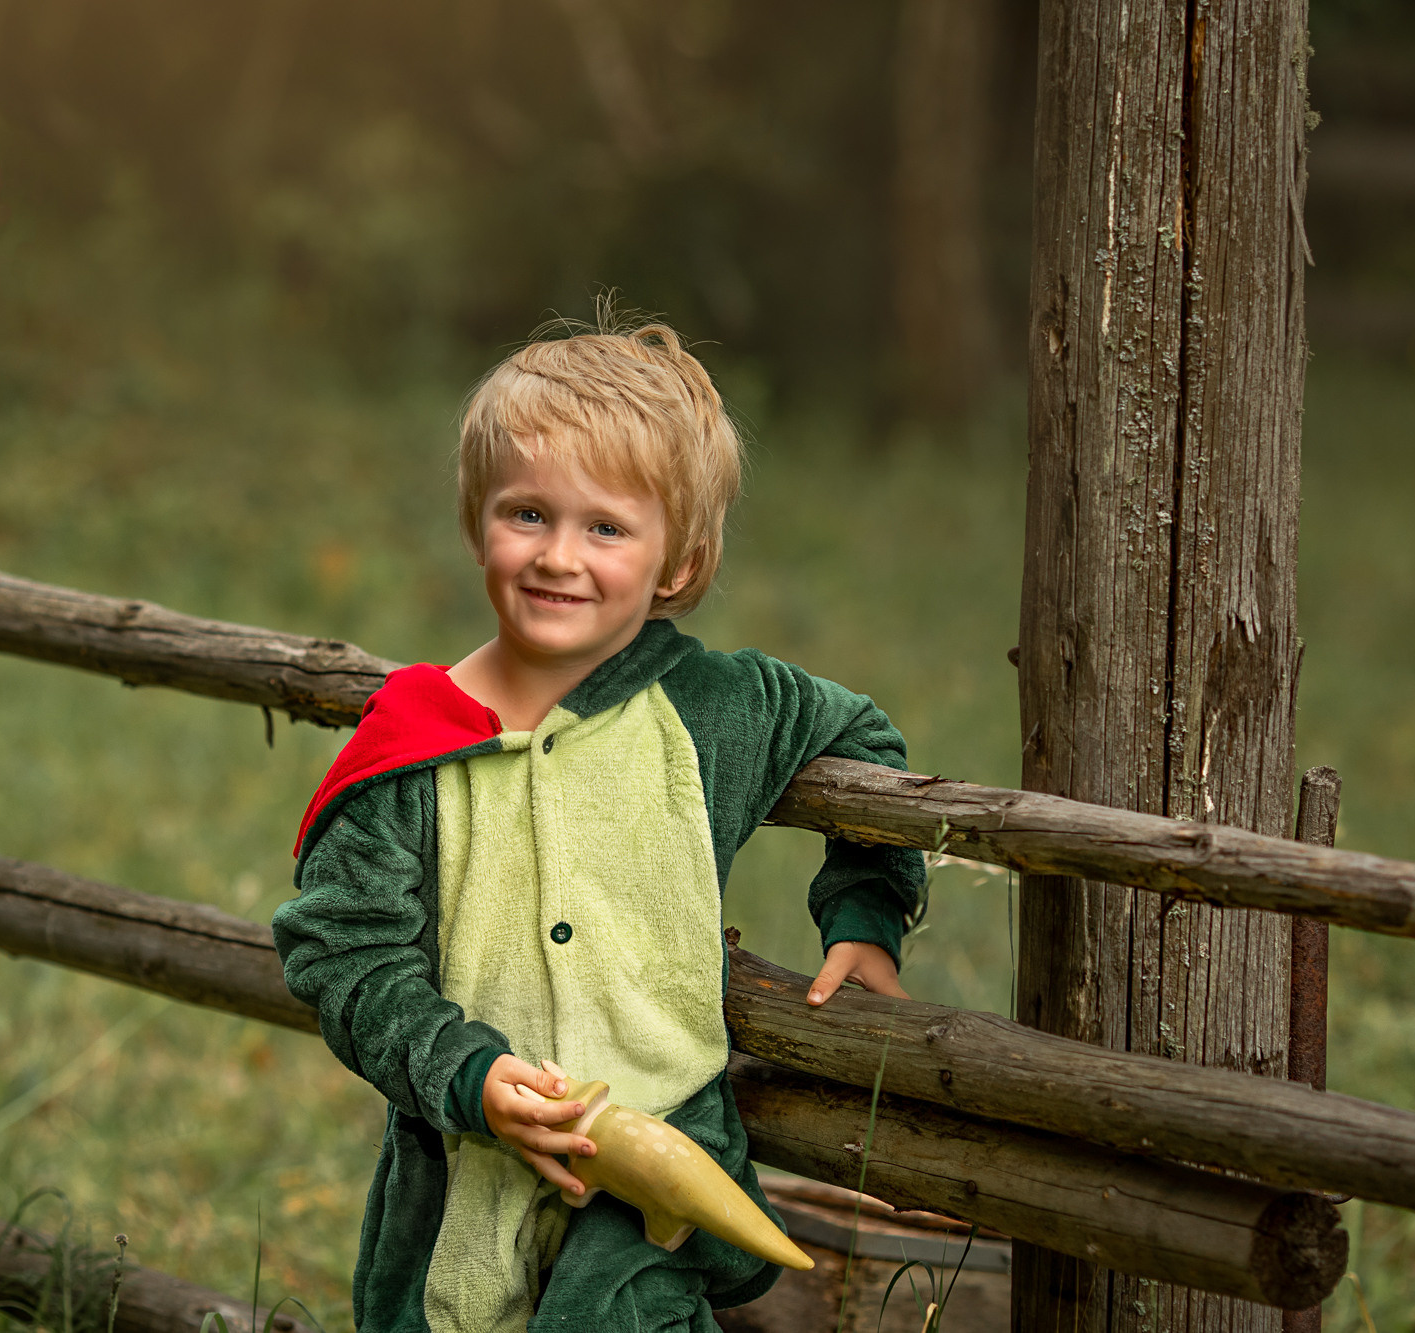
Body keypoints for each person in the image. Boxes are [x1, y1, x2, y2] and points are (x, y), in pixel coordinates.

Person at [273, 313, 927, 1332]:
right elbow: (342, 953)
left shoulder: (722, 708)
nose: (557, 557)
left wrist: (864, 915)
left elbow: (868, 740)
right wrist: (468, 1074)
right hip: (462, 1185)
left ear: (677, 559)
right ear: (473, 518)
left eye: (605, 527)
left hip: (652, 1191)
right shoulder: (413, 738)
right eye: (525, 513)